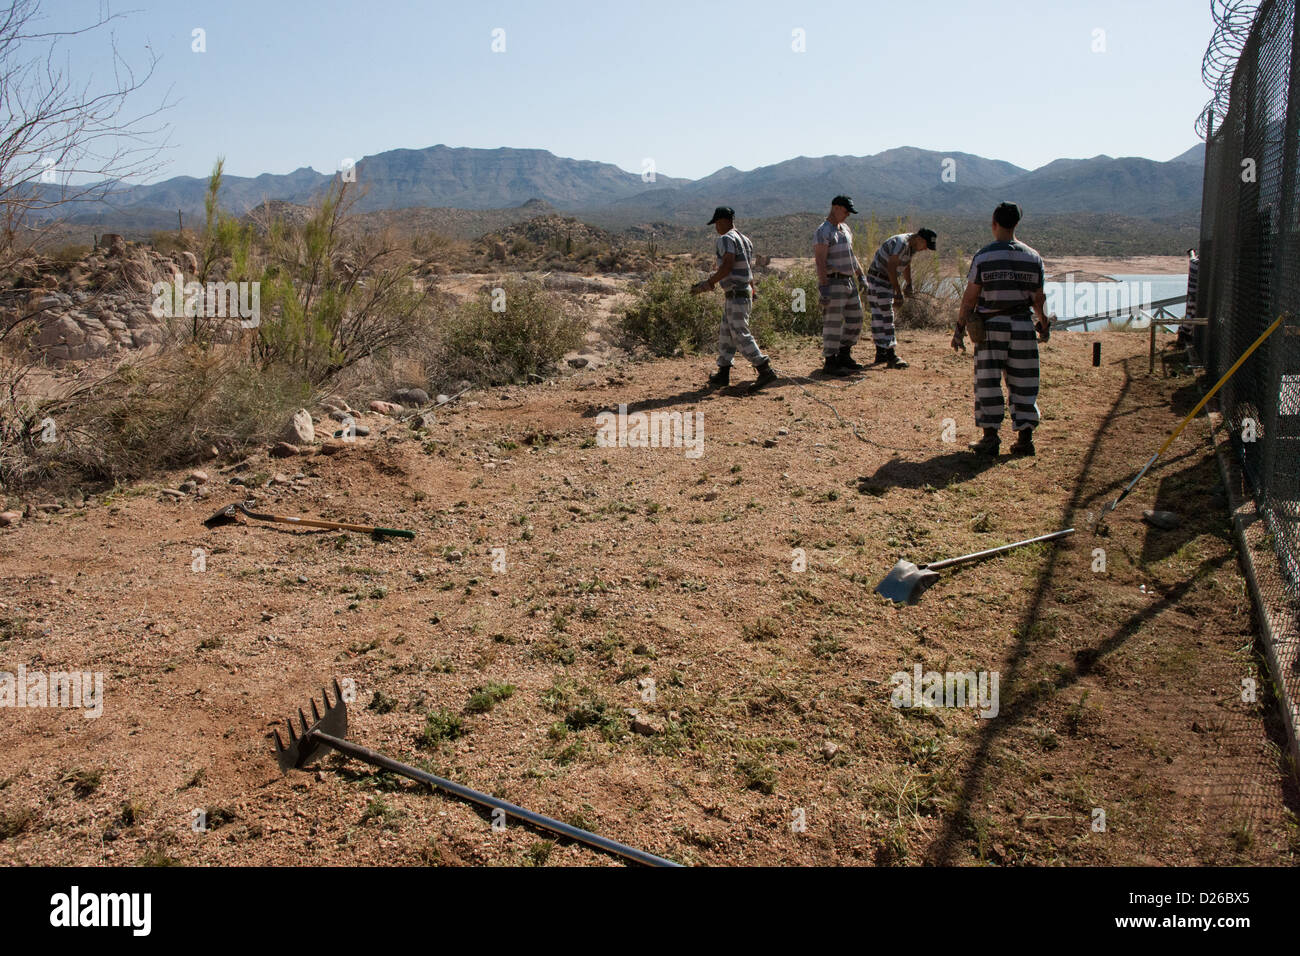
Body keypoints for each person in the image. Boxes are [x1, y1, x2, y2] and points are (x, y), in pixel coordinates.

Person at [952, 202, 1050, 457]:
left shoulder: (984, 256)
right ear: (1017, 224)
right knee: (1024, 381)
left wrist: (959, 329)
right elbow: (1038, 299)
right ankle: (1025, 439)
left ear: (994, 224)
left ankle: (990, 437)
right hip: (1022, 326)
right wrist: (1043, 323)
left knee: (987, 381)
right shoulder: (1033, 257)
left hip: (990, 328)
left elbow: (969, 298)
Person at [692, 206, 777, 393]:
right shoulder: (745, 240)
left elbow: (728, 265)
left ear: (721, 221)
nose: (716, 227)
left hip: (736, 292)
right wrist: (752, 289)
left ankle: (764, 369)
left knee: (739, 333)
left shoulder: (726, 239)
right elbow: (747, 268)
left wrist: (708, 283)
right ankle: (723, 372)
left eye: (716, 223)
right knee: (726, 333)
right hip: (742, 291)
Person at [862, 228, 937, 369]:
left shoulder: (911, 247)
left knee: (879, 316)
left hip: (882, 279)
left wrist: (908, 284)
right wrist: (897, 291)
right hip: (879, 279)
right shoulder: (901, 243)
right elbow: (891, 266)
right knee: (886, 316)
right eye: (926, 245)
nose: (925, 249)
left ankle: (881, 353)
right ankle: (891, 354)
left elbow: (906, 265)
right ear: (920, 239)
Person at [813, 195, 870, 376]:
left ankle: (844, 355)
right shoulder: (823, 231)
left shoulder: (845, 229)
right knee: (833, 323)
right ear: (835, 207)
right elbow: (820, 261)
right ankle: (830, 362)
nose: (847, 215)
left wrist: (861, 277)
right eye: (845, 211)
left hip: (849, 280)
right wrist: (824, 287)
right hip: (833, 281)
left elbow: (852, 256)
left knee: (856, 318)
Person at [1176, 248, 1199, 348]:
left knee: (1191, 313)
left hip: (1193, 293)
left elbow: (1193, 259)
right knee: (1191, 313)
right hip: (1194, 293)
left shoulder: (1195, 263)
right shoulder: (1196, 263)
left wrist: (1191, 253)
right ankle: (1184, 334)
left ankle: (1184, 334)